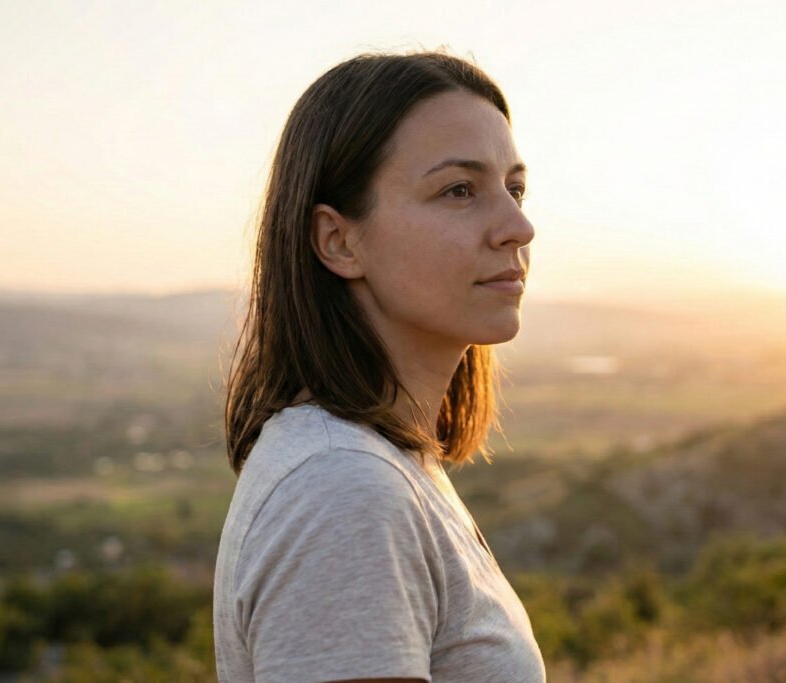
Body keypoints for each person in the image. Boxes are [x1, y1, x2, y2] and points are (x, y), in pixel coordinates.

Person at [213, 50, 545, 683]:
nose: (518, 226)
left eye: (515, 188)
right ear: (338, 241)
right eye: (458, 190)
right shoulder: (343, 489)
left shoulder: (386, 463)